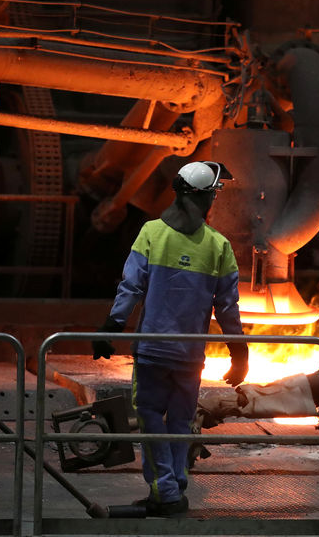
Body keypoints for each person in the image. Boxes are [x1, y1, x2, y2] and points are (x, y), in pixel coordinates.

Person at [92, 160, 249, 517]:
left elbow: (131, 288)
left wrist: (109, 329)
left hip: (151, 354)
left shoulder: (151, 233)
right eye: (214, 194)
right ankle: (173, 488)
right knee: (180, 421)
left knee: (149, 416)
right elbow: (228, 308)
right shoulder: (218, 246)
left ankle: (164, 490)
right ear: (205, 198)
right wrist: (239, 354)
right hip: (190, 357)